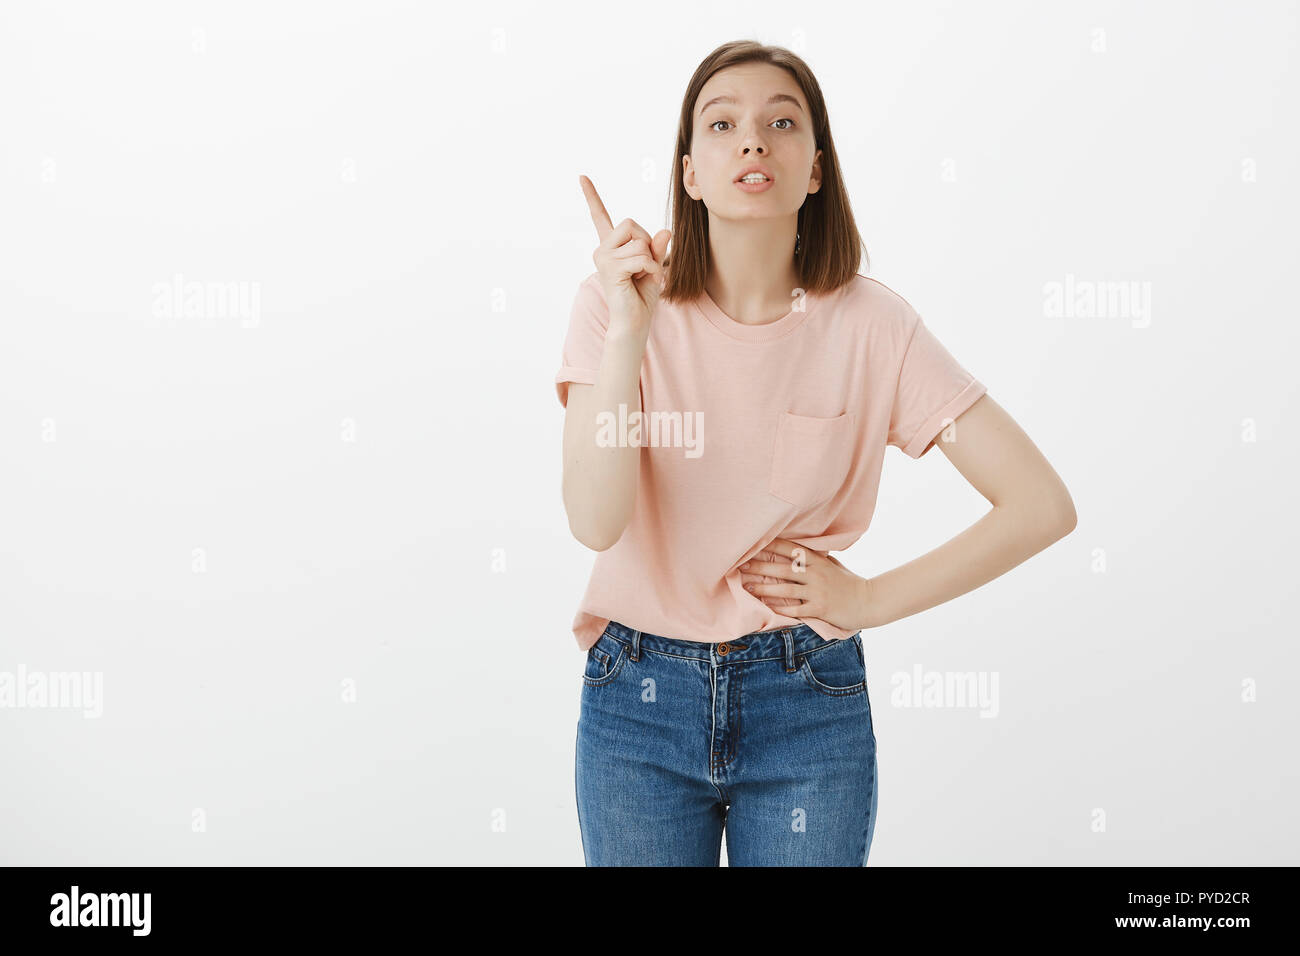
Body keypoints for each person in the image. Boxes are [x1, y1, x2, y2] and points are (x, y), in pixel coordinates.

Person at [555, 40, 1076, 867]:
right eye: (722, 123)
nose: (753, 140)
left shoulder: (874, 325)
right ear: (689, 174)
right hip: (638, 701)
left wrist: (868, 599)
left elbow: (1041, 505)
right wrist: (629, 331)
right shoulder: (615, 305)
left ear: (815, 170)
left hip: (805, 698)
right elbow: (594, 519)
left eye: (781, 122)